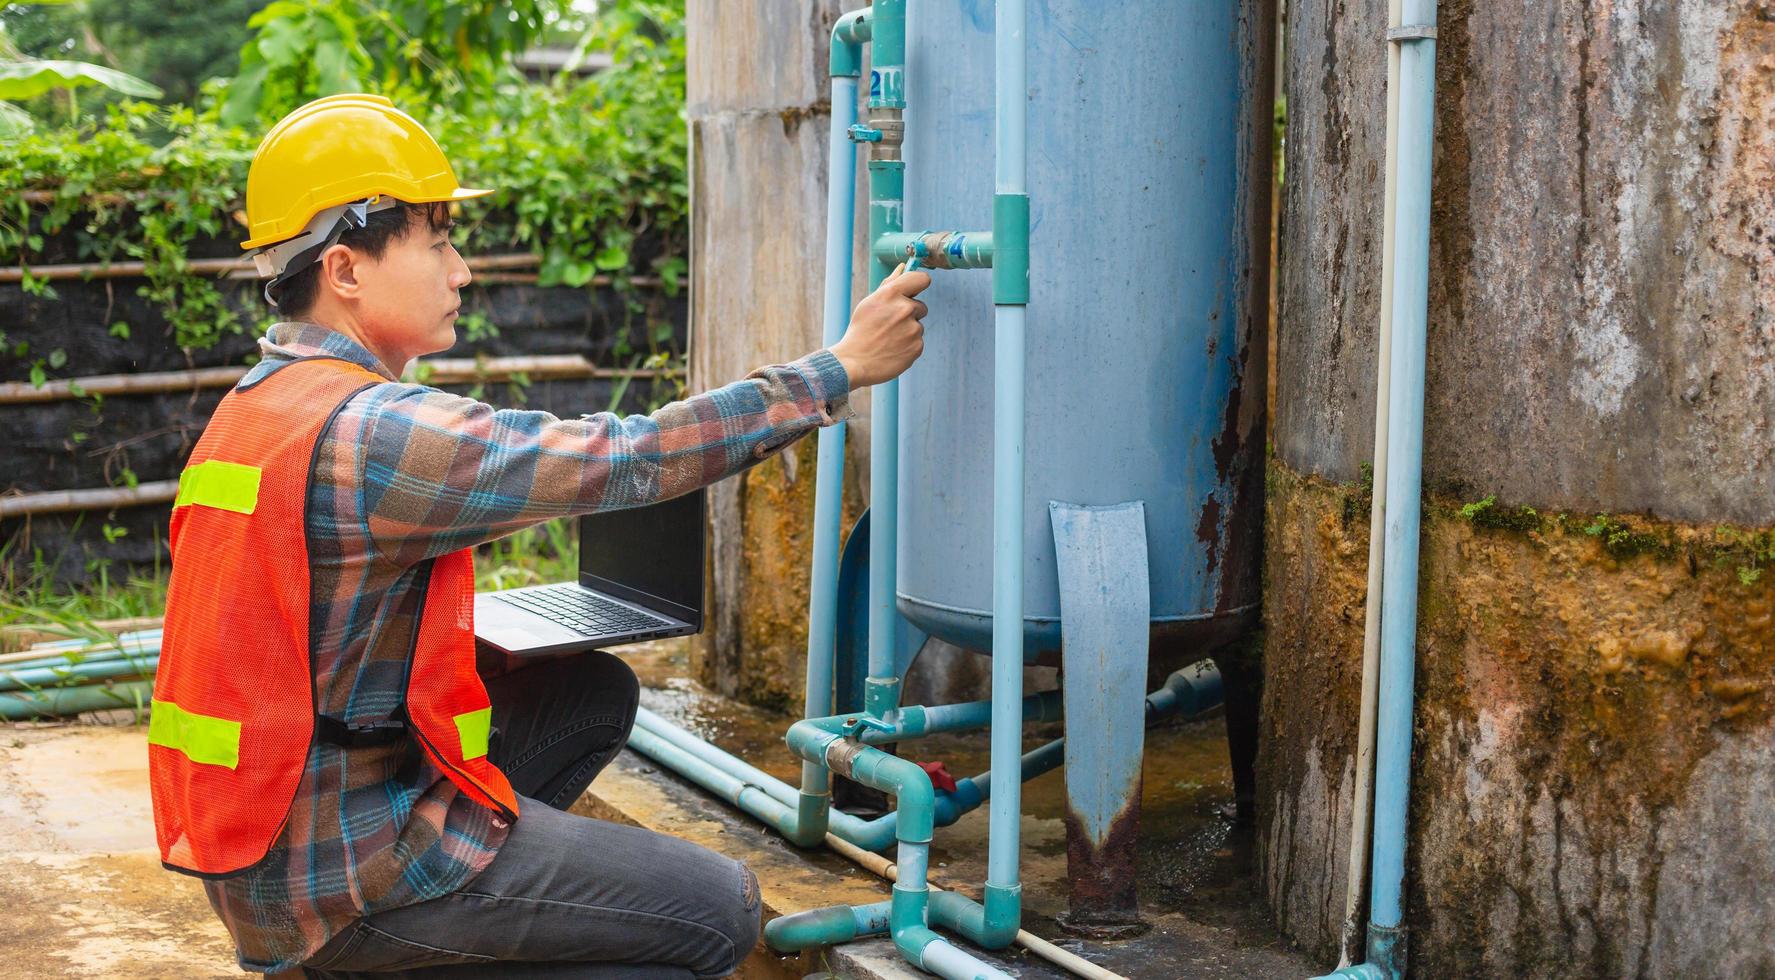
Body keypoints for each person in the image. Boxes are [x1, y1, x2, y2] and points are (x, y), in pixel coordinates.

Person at [145, 94, 932, 978]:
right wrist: (838, 368)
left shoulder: (258, 405)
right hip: (343, 874)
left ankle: (439, 944)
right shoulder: (374, 434)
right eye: (437, 242)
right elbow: (625, 458)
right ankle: (391, 946)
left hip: (269, 840)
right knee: (722, 910)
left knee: (588, 693)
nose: (462, 271)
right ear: (345, 269)